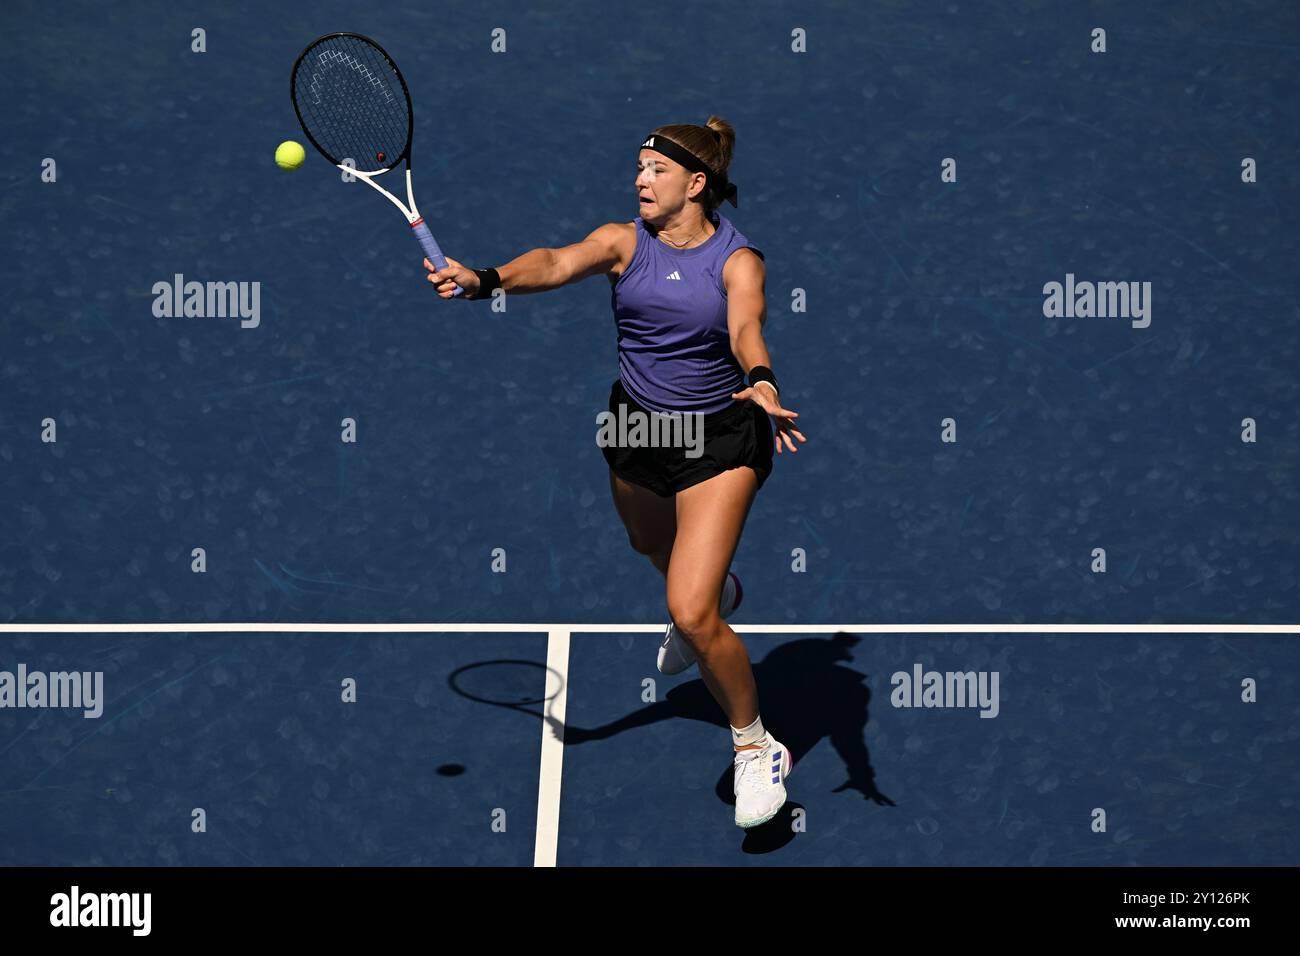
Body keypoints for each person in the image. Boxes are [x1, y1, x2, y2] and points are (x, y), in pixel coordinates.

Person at [425, 116, 807, 828]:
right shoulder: (622, 242)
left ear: (696, 183)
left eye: (654, 171)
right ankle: (718, 586)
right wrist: (485, 280)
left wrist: (761, 380)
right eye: (638, 168)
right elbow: (555, 261)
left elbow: (747, 327)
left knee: (690, 611)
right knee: (647, 545)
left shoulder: (737, 260)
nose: (640, 180)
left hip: (720, 437)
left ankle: (757, 746)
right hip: (636, 429)